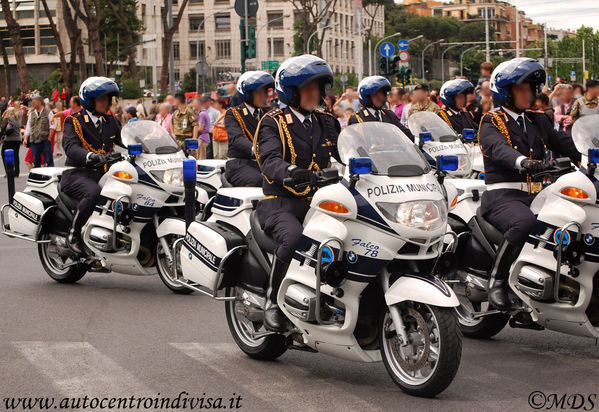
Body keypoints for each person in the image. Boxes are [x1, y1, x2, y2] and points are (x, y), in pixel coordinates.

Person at [479, 58, 580, 310]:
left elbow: (568, 145)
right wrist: (525, 162)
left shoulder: (539, 121)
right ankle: (497, 281)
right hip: (503, 196)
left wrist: (591, 151)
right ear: (506, 91)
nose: (529, 93)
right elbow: (499, 149)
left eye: (531, 88)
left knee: (576, 220)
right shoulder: (492, 121)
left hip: (539, 196)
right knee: (524, 222)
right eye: (521, 88)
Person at [254, 55, 340, 332]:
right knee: (294, 239)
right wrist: (292, 170)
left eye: (317, 87)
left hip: (322, 201)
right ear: (290, 92)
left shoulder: (326, 121)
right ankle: (274, 303)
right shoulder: (273, 121)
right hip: (282, 202)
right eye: (307, 88)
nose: (314, 93)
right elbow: (268, 160)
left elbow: (345, 152)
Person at [61, 77, 122, 254]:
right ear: (90, 100)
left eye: (107, 99)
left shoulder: (111, 122)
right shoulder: (74, 121)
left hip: (103, 174)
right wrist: (90, 156)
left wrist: (149, 144)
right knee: (93, 192)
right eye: (102, 99)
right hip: (77, 174)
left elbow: (125, 139)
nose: (106, 103)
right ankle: (73, 235)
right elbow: (70, 148)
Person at [224, 71, 275, 186]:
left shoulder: (268, 113)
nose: (264, 96)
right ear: (247, 94)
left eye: (265, 92)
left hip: (263, 162)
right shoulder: (233, 113)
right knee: (258, 180)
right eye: (259, 92)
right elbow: (237, 139)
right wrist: (257, 149)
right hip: (239, 163)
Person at [347, 76, 414, 140]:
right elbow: (356, 144)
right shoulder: (357, 119)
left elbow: (406, 134)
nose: (380, 97)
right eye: (375, 95)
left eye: (382, 94)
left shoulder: (389, 114)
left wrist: (419, 139)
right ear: (366, 97)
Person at [23, 93, 53, 168]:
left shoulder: (48, 112)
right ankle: (38, 178)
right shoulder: (31, 113)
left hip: (45, 140)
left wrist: (49, 138)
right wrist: (26, 138)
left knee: (48, 161)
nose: (32, 104)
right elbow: (28, 126)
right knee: (36, 162)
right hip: (34, 141)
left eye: (34, 102)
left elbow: (53, 125)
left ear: (39, 102)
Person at [0, 106, 22, 177]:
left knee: (4, 154)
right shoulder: (17, 119)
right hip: (17, 139)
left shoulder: (7, 119)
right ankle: (16, 172)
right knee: (16, 155)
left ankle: (8, 171)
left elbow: (3, 129)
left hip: (9, 140)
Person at [196, 95, 212, 160]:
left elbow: (201, 128)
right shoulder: (203, 112)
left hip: (202, 138)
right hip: (204, 137)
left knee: (201, 159)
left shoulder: (202, 114)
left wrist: (193, 131)